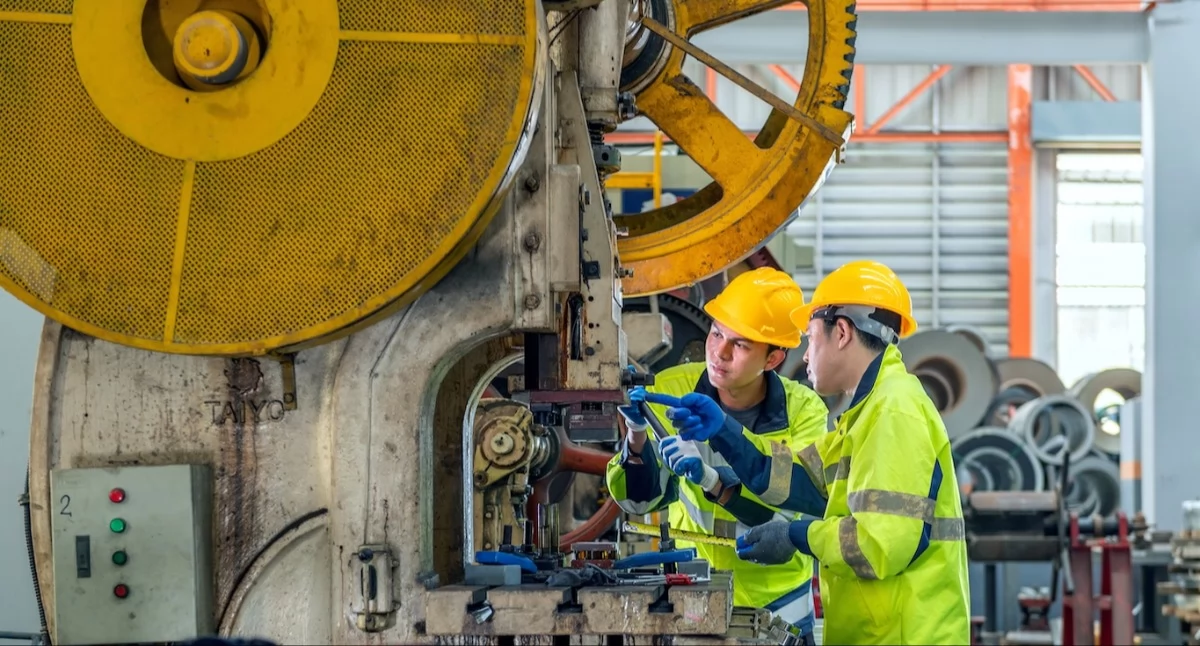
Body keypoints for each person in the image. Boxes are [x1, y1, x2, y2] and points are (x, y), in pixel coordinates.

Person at [657, 260, 971, 645]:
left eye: (810, 338)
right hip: (880, 631)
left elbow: (880, 547)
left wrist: (796, 535)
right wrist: (724, 432)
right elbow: (799, 480)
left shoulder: (893, 410)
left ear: (841, 332)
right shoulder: (866, 411)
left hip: (903, 635)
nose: (804, 356)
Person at [605, 267, 830, 643]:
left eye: (740, 345)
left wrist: (711, 476)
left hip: (778, 612)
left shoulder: (804, 412)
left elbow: (792, 517)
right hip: (694, 604)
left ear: (773, 359)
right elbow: (638, 499)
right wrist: (638, 436)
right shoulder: (672, 388)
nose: (719, 353)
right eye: (716, 333)